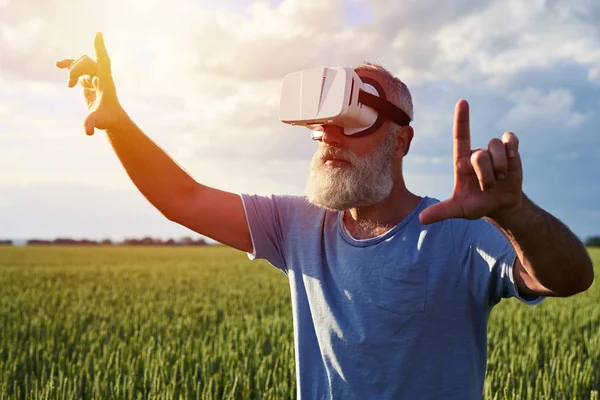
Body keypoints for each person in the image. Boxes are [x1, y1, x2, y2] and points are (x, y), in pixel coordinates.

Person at [57, 33, 594, 400]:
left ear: (401, 141)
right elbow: (183, 197)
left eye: (355, 118)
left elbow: (570, 278)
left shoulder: (459, 231)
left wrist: (516, 213)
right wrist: (118, 123)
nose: (332, 135)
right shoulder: (295, 226)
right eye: (323, 123)